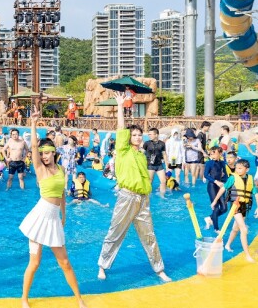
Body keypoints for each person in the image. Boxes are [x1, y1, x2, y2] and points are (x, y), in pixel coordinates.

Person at [97, 92, 171, 282]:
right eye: (134, 135)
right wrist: (120, 106)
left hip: (143, 199)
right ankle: (102, 266)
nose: (138, 137)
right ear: (128, 138)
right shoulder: (123, 150)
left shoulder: (141, 155)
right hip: (127, 197)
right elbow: (121, 128)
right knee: (115, 232)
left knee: (149, 236)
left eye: (140, 135)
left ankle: (159, 269)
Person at [20, 107, 87, 308]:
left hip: (54, 219)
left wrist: (63, 215)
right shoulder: (40, 169)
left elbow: (62, 195)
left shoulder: (61, 169)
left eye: (48, 153)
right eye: (42, 154)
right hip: (39, 218)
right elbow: (33, 146)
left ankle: (79, 299)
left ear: (54, 152)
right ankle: (24, 299)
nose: (45, 156)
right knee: (35, 263)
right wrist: (33, 123)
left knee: (65, 263)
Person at [210, 159, 257, 262]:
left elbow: (255, 193)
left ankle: (227, 245)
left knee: (236, 229)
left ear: (247, 169)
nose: (237, 170)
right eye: (236, 168)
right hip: (235, 206)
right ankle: (247, 255)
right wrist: (215, 201)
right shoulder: (232, 178)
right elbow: (223, 189)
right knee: (244, 229)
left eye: (240, 168)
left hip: (244, 207)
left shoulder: (250, 178)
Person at [203, 147, 228, 232]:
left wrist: (225, 182)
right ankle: (216, 228)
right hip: (212, 186)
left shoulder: (222, 163)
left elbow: (226, 176)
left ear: (220, 154)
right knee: (216, 208)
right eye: (211, 154)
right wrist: (216, 181)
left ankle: (210, 218)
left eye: (214, 153)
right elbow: (206, 175)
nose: (212, 155)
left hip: (220, 186)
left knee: (224, 208)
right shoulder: (209, 163)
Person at [143, 128, 169, 197]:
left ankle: (162, 196)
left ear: (156, 135)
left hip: (159, 165)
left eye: (151, 134)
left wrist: (167, 166)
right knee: (150, 181)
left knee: (163, 181)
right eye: (149, 134)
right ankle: (147, 196)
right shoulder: (147, 143)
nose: (149, 135)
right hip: (150, 165)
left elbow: (164, 154)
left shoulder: (162, 144)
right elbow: (142, 153)